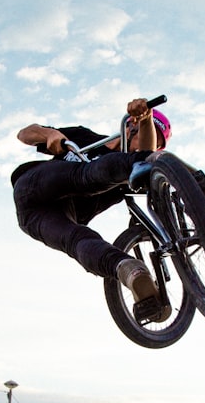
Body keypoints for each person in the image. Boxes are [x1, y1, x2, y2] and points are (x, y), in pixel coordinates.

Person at [12, 98, 176, 324]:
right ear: (129, 127)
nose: (143, 144)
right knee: (85, 175)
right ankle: (128, 270)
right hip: (34, 189)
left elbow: (145, 154)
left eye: (154, 142)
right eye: (141, 132)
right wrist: (49, 134)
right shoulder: (85, 138)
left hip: (54, 215)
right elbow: (24, 134)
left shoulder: (129, 178)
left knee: (77, 240)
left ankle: (130, 271)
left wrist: (147, 120)